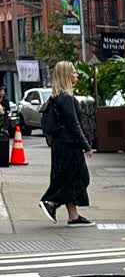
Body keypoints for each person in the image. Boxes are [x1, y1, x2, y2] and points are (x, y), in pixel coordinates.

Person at [39, 61, 92, 226]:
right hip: (69, 145)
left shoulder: (56, 97)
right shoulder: (67, 98)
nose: (76, 75)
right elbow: (74, 124)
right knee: (81, 178)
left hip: (60, 144)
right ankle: (51, 202)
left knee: (68, 178)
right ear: (66, 75)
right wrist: (86, 146)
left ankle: (73, 216)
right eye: (74, 72)